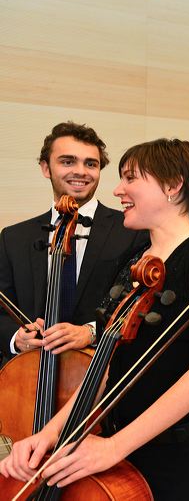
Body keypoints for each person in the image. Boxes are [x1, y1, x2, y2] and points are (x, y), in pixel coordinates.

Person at [0, 138, 189, 499]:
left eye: (130, 179)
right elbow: (105, 369)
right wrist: (47, 435)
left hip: (187, 458)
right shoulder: (135, 263)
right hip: (125, 448)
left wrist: (114, 447)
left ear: (173, 186)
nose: (117, 190)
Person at [0, 122, 146, 361]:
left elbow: (141, 308)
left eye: (91, 164)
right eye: (68, 162)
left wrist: (91, 331)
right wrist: (16, 337)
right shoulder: (13, 238)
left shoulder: (132, 231)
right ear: (45, 168)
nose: (81, 171)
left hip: (101, 376)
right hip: (26, 376)